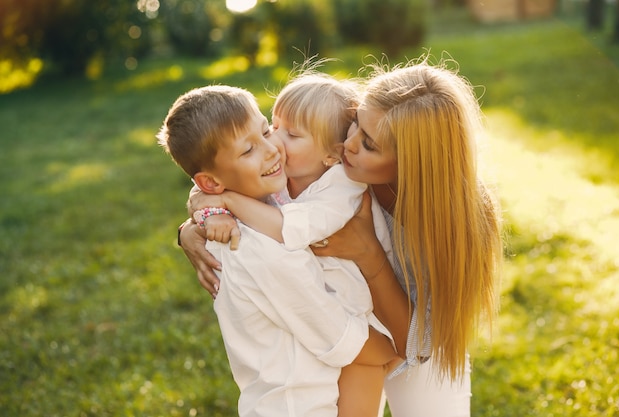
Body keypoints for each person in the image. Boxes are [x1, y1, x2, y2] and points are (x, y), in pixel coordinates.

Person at [179, 57, 503, 417]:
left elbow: (420, 344)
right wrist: (196, 223)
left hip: (417, 342)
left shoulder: (455, 221)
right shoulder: (332, 164)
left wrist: (370, 256)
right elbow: (234, 177)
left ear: (410, 163)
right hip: (354, 332)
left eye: (368, 144)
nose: (347, 143)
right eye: (354, 125)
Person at [158, 84, 398, 417]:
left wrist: (210, 203)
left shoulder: (269, 199)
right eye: (248, 151)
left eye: (265, 131)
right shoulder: (259, 247)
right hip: (299, 404)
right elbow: (333, 333)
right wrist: (391, 347)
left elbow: (220, 177)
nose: (272, 149)